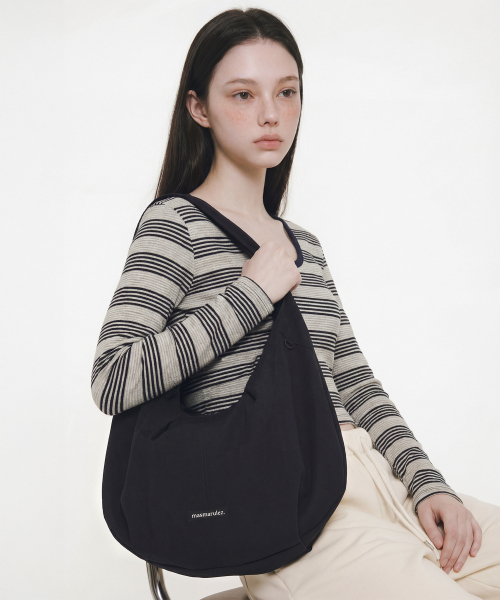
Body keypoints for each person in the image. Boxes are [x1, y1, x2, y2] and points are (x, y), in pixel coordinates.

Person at [90, 7, 500, 599]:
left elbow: (356, 383)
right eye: (243, 94)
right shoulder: (175, 224)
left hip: (379, 482)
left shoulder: (304, 244)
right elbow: (112, 378)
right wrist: (249, 295)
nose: (270, 114)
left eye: (286, 92)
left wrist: (426, 485)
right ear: (198, 108)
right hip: (293, 511)